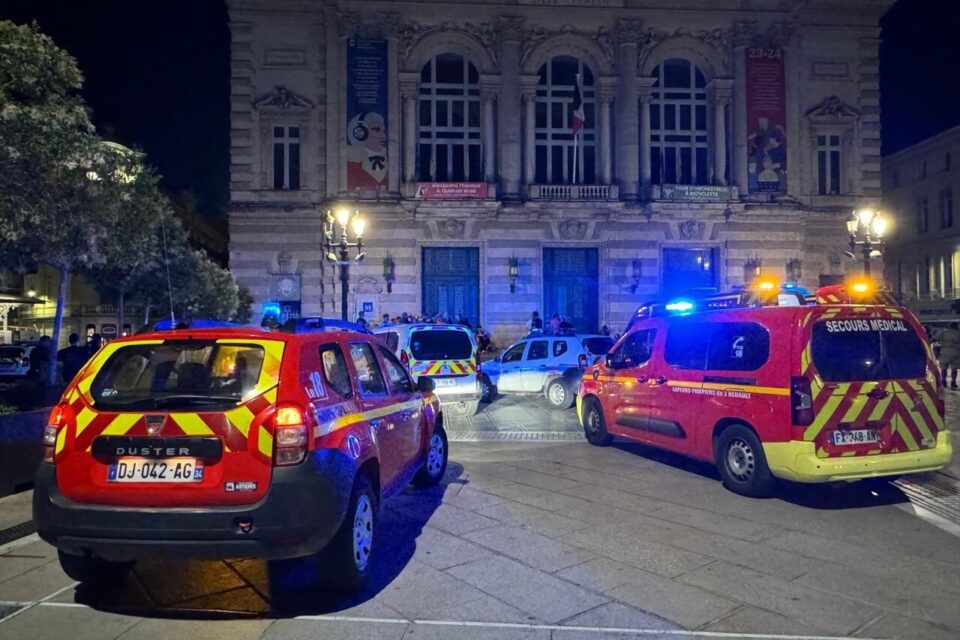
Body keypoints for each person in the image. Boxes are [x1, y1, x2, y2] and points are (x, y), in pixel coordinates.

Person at [346, 111, 388, 190]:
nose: (383, 136)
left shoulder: (390, 158)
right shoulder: (351, 160)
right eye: (377, 130)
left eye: (384, 131)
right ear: (361, 133)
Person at [937, 323, 960, 389]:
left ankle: (944, 382)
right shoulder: (958, 333)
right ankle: (953, 383)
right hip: (956, 353)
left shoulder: (943, 332)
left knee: (944, 368)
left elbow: (934, 339)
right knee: (954, 369)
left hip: (944, 352)